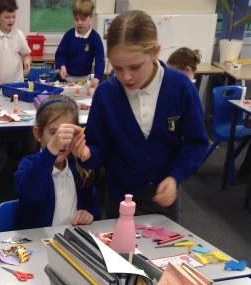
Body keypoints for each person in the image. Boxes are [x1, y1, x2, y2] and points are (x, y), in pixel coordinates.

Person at [84, 10, 208, 221]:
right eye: (117, 68)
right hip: (120, 200)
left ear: (155, 52)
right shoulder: (106, 94)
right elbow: (98, 148)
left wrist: (175, 177)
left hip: (164, 200)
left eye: (135, 67)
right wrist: (86, 154)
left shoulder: (181, 87)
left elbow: (196, 143)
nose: (126, 77)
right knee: (120, 243)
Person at [15, 96, 101, 228]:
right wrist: (50, 152)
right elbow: (30, 193)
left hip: (72, 237)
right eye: (54, 133)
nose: (60, 141)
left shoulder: (78, 169)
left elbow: (94, 208)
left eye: (67, 134)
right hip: (39, 239)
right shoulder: (29, 164)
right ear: (38, 134)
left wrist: (89, 214)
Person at [55, 0, 105, 83]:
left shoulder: (95, 38)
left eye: (83, 19)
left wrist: (97, 77)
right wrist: (62, 66)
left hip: (85, 79)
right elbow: (60, 54)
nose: (79, 23)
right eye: (76, 19)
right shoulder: (69, 35)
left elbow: (100, 61)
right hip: (67, 78)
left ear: (90, 17)